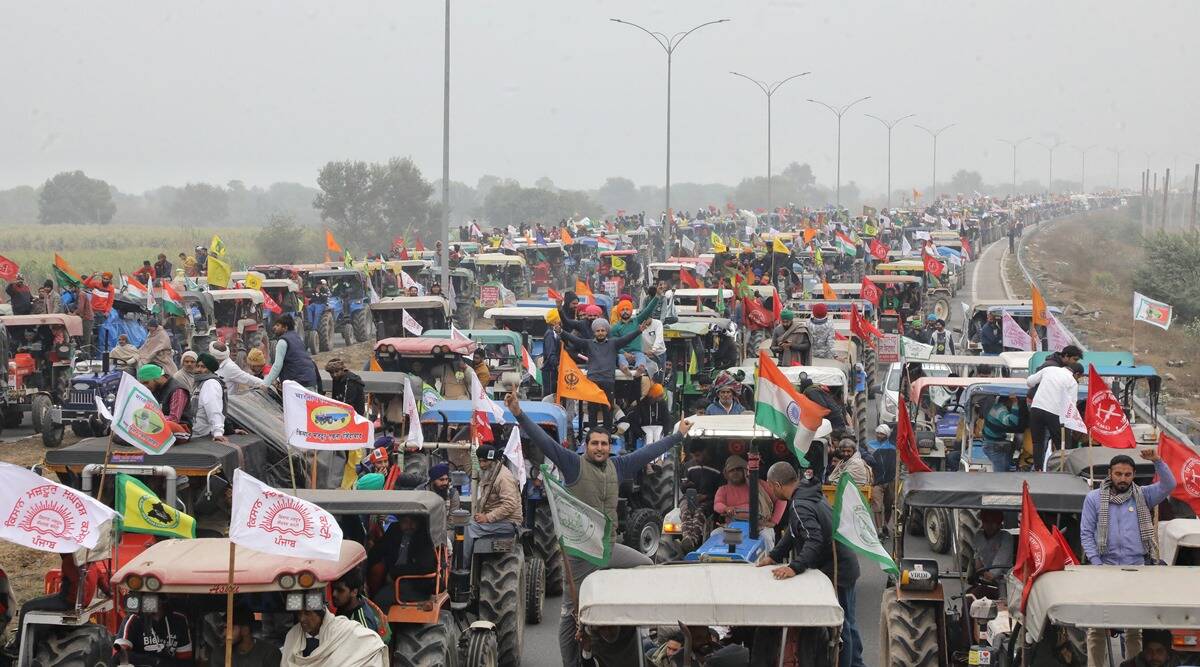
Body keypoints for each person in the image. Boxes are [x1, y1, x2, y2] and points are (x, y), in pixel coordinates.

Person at [507, 392, 692, 667]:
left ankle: (626, 626)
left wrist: (677, 437)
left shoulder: (618, 465)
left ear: (610, 446)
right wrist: (519, 414)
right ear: (586, 446)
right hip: (581, 553)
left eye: (604, 444)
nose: (600, 448)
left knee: (644, 565)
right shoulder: (573, 464)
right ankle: (571, 662)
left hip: (608, 547)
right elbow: (544, 442)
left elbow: (647, 453)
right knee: (574, 611)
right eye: (595, 443)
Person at [758, 462, 863, 667]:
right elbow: (794, 531)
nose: (770, 491)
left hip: (836, 571)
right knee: (849, 622)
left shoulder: (800, 504)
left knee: (840, 627)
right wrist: (774, 555)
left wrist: (794, 567)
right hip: (846, 565)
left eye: (770, 487)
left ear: (777, 484)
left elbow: (814, 539)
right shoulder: (808, 494)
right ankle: (858, 664)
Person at [1080, 450, 1176, 666]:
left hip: (1136, 570)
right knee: (1097, 629)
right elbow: (1086, 533)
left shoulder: (1143, 495)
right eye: (1118, 474)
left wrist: (1158, 461)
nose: (1122, 479)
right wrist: (1096, 563)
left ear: (1133, 476)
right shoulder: (1093, 498)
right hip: (1104, 569)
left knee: (1134, 629)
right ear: (1109, 474)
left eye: (1127, 474)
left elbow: (1169, 485)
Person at [555, 316, 649, 430]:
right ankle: (592, 433)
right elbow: (575, 340)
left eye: (603, 330)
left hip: (608, 381)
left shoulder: (614, 343)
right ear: (594, 332)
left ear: (606, 331)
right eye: (598, 331)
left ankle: (607, 435)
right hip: (592, 382)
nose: (600, 333)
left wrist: (639, 330)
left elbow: (626, 339)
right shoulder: (588, 343)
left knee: (608, 409)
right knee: (592, 410)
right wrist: (561, 331)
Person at [464, 444, 523, 562]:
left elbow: (510, 505)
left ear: (493, 460)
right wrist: (466, 452)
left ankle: (463, 568)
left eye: (485, 461)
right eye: (480, 461)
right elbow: (471, 472)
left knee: (469, 528)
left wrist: (487, 517)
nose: (482, 465)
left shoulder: (503, 477)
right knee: (462, 523)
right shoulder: (489, 472)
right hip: (495, 521)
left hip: (508, 522)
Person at [366, 514, 438, 606]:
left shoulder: (425, 536)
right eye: (405, 522)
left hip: (416, 584)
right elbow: (377, 550)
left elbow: (425, 567)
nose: (410, 525)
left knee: (380, 600)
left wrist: (394, 572)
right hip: (394, 579)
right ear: (399, 521)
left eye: (413, 521)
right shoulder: (394, 530)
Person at [281, 607, 386, 667]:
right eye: (299, 614)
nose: (302, 619)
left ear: (320, 614)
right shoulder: (293, 635)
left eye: (308, 613)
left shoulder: (344, 630)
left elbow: (372, 643)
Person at [1026, 361, 1083, 470]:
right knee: (1062, 446)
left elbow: (1029, 382)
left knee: (1037, 442)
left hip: (1036, 409)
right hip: (1055, 414)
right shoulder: (1072, 381)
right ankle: (1061, 469)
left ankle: (1038, 469)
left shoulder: (1049, 369)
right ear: (1077, 374)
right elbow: (1071, 405)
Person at [712, 455, 777, 550]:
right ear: (726, 474)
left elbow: (781, 498)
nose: (735, 473)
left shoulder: (759, 485)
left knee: (766, 538)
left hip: (760, 526)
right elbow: (717, 504)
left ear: (745, 470)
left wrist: (774, 521)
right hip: (732, 528)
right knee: (714, 534)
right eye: (732, 470)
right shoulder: (723, 490)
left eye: (738, 469)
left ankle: (769, 560)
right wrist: (726, 508)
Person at [117, 600, 193, 663]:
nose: (149, 601)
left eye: (153, 596)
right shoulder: (133, 619)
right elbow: (118, 655)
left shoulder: (178, 620)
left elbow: (185, 659)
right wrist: (156, 662)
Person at [331, 569, 390, 645]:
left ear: (354, 592)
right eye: (333, 589)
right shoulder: (344, 606)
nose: (334, 594)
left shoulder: (363, 621)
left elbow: (367, 650)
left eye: (340, 590)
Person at [208, 606, 281, 667]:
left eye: (230, 628)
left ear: (245, 630)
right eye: (224, 628)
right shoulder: (220, 654)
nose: (224, 633)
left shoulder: (270, 653)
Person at [262, 315, 320, 390]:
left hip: (298, 384)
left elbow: (277, 366)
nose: (274, 327)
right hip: (310, 380)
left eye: (278, 325)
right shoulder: (297, 338)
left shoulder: (283, 341)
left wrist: (265, 384)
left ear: (285, 328)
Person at [610, 288, 659, 369]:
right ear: (619, 311)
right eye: (622, 310)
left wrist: (657, 296)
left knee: (641, 357)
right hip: (623, 354)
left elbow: (648, 310)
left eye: (627, 309)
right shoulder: (615, 328)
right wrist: (624, 353)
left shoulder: (637, 321)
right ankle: (625, 368)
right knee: (620, 358)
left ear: (631, 311)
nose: (625, 312)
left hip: (637, 353)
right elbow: (614, 344)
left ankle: (639, 368)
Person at [863, 424, 896, 536]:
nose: (879, 435)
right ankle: (879, 530)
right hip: (876, 482)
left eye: (882, 433)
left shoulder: (893, 449)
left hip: (890, 481)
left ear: (886, 435)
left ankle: (886, 525)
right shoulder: (870, 447)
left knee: (888, 505)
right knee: (877, 507)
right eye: (878, 433)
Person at [970, 510, 1014, 590]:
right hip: (985, 579)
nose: (990, 525)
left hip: (1004, 580)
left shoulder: (1006, 538)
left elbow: (995, 571)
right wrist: (982, 572)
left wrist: (990, 574)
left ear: (999, 523)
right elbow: (978, 564)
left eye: (993, 522)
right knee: (969, 597)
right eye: (986, 521)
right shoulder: (979, 536)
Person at [190, 354, 228, 443]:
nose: (199, 369)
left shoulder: (210, 384)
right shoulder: (200, 383)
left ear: (210, 369)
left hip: (201, 436)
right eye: (198, 366)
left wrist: (218, 433)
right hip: (195, 432)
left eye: (203, 367)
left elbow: (214, 409)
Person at [982, 396, 1022, 472]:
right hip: (994, 446)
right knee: (1000, 477)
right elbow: (1012, 422)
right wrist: (1015, 404)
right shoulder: (1000, 410)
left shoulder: (997, 407)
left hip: (993, 443)